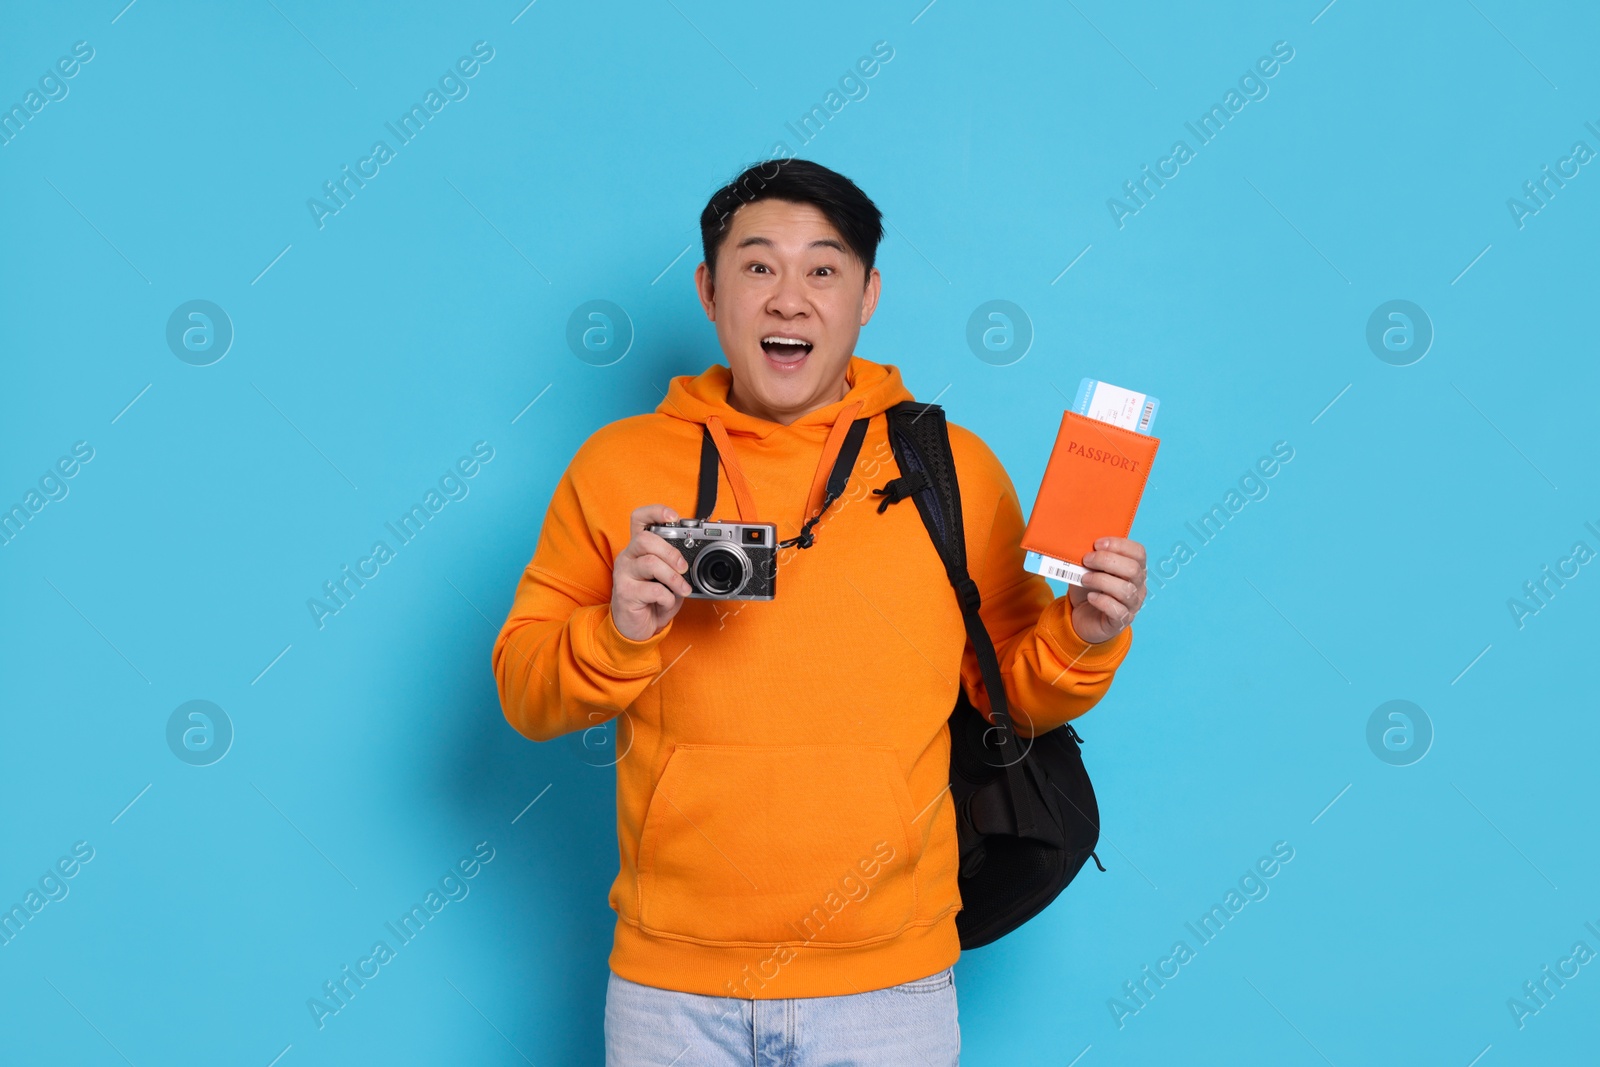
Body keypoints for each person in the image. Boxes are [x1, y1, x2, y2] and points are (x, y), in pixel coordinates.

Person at [492, 158, 1147, 1066]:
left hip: (890, 990)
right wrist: (619, 633)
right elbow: (524, 694)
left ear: (868, 294)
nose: (789, 299)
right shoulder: (617, 466)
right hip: (671, 988)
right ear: (709, 289)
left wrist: (1086, 633)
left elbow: (1018, 703)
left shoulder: (951, 469)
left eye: (824, 269)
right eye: (758, 266)